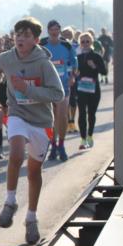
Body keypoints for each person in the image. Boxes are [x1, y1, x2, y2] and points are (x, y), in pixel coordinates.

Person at [0, 17, 65, 244]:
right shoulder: (6, 58)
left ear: (36, 40)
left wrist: (27, 89)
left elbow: (58, 94)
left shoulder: (44, 63)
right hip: (17, 114)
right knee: (16, 153)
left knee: (33, 172)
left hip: (41, 121)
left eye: (26, 35)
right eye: (18, 34)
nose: (20, 39)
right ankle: (10, 201)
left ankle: (31, 218)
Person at [40, 20, 76, 162]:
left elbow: (74, 63)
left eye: (56, 29)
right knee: (50, 118)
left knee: (62, 115)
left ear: (59, 31)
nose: (54, 32)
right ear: (48, 31)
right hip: (47, 86)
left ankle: (61, 144)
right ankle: (53, 145)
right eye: (52, 29)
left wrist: (72, 76)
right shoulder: (42, 45)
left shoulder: (66, 45)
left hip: (63, 85)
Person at [75, 32, 107, 149]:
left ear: (91, 42)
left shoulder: (97, 57)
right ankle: (83, 139)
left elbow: (104, 72)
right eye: (82, 41)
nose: (85, 43)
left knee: (91, 114)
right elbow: (73, 72)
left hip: (94, 89)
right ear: (80, 43)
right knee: (82, 113)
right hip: (81, 89)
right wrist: (75, 74)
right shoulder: (77, 58)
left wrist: (94, 66)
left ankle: (90, 136)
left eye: (87, 41)